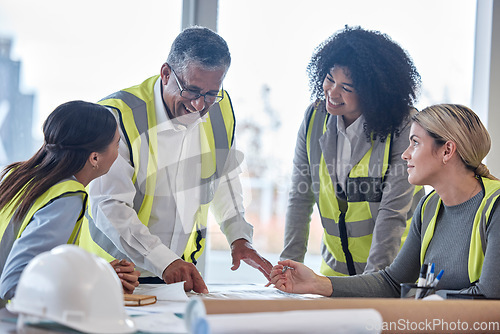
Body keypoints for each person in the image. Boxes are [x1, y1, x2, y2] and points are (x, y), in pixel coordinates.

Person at [78, 26, 272, 293]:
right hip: (113, 276)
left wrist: (239, 236)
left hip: (177, 276)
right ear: (166, 73)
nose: (199, 106)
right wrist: (164, 260)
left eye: (211, 93)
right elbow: (109, 206)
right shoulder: (118, 117)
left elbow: (224, 179)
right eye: (191, 91)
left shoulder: (219, 110)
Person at [271, 104, 500, 299]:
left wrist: (433, 302)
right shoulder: (429, 207)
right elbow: (392, 282)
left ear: (447, 150)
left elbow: (491, 295)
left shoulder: (496, 206)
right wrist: (317, 283)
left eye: (416, 143)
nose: (405, 154)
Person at [280, 26, 424, 276]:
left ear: (373, 93)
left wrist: (376, 282)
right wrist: (288, 267)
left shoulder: (404, 125)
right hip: (335, 272)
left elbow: (393, 212)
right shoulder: (314, 117)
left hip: (393, 272)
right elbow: (300, 198)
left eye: (347, 87)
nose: (332, 92)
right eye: (329, 79)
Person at [0, 101, 140, 302]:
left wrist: (99, 273)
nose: (118, 153)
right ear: (94, 158)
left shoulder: (19, 176)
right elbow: (16, 282)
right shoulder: (66, 197)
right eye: (117, 144)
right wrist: (99, 281)